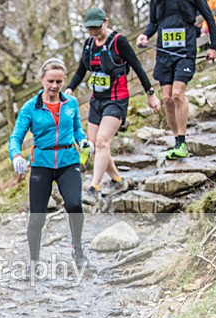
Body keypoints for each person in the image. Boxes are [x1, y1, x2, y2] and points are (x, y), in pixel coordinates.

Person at [66, 7, 162, 201]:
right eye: (89, 29)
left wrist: (150, 94)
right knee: (93, 146)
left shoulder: (119, 42)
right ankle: (118, 180)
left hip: (117, 99)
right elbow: (80, 71)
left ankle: (94, 187)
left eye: (96, 27)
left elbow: (137, 67)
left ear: (106, 22)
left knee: (102, 141)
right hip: (97, 100)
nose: (93, 32)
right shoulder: (88, 44)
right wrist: (69, 88)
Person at [9, 58, 92, 278]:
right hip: (42, 164)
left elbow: (77, 130)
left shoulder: (71, 103)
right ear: (41, 80)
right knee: (37, 218)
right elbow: (16, 136)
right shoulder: (30, 107)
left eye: (59, 81)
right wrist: (16, 155)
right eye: (50, 81)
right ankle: (34, 262)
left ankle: (77, 248)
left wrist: (83, 141)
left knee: (74, 204)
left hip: (68, 161)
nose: (54, 86)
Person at [136, 0, 216, 159]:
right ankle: (176, 141)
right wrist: (144, 35)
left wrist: (213, 46)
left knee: (177, 95)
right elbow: (153, 22)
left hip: (185, 51)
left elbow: (209, 18)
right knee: (167, 99)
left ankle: (182, 141)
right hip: (164, 54)